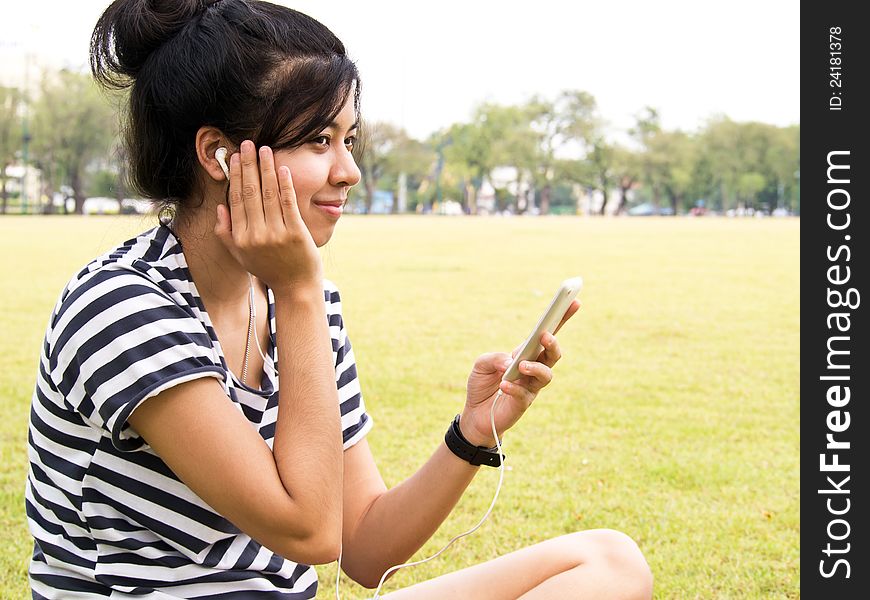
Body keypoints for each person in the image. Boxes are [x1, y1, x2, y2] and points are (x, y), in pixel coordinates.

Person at [25, 0, 653, 598]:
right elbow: (310, 531)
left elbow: (365, 547)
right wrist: (297, 290)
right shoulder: (121, 307)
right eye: (318, 140)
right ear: (218, 154)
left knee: (609, 564)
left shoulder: (302, 303)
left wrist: (472, 432)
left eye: (349, 140)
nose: (349, 171)